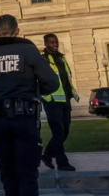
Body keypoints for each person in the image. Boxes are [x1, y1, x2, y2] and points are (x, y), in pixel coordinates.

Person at [0, 15, 59, 196]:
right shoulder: (28, 51)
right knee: (27, 173)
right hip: (25, 119)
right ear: (17, 31)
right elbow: (52, 83)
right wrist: (32, 92)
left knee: (7, 172)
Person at [41, 33, 78, 172]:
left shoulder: (61, 58)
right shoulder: (43, 59)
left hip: (65, 100)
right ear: (45, 44)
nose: (54, 44)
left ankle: (47, 155)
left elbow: (66, 78)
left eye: (55, 42)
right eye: (51, 42)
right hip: (52, 102)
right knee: (58, 133)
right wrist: (46, 97)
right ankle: (62, 163)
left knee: (65, 131)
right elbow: (39, 80)